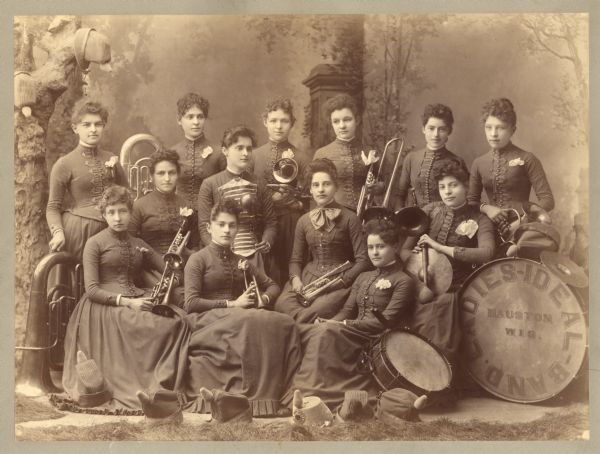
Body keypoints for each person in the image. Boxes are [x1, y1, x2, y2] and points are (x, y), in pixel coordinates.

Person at [61, 186, 191, 410]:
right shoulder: (95, 243)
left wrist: (164, 269)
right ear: (104, 215)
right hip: (103, 306)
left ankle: (160, 386)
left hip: (138, 298)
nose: (117, 218)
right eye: (111, 212)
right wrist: (128, 302)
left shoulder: (138, 243)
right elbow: (92, 289)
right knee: (146, 323)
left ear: (131, 213)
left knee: (177, 321)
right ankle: (140, 386)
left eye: (122, 211)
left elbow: (171, 269)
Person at [184, 200, 302, 416]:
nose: (227, 230)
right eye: (221, 225)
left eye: (232, 225)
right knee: (250, 320)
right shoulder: (197, 259)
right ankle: (255, 401)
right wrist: (233, 304)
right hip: (205, 320)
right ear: (209, 228)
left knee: (284, 322)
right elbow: (191, 303)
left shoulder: (243, 261)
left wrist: (262, 301)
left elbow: (273, 286)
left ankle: (284, 395)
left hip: (238, 316)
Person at [287, 218, 415, 408]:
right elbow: (347, 311)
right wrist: (329, 321)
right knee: (313, 330)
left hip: (375, 338)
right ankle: (303, 391)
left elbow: (386, 321)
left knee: (327, 333)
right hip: (351, 332)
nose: (375, 252)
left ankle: (315, 393)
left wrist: (341, 325)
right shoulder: (363, 276)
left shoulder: (403, 281)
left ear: (395, 247)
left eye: (380, 247)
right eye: (371, 248)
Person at [400, 161, 495, 362]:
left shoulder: (479, 219)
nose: (447, 192)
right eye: (442, 187)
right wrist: (416, 256)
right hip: (421, 280)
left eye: (453, 185)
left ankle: (434, 369)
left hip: (457, 285)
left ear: (466, 186)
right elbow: (404, 251)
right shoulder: (430, 211)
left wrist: (440, 248)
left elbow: (487, 253)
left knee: (440, 307)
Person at [274, 158, 370, 323]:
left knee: (316, 311)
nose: (321, 190)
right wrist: (296, 279)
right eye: (316, 185)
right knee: (281, 305)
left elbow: (363, 260)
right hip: (308, 278)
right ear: (310, 189)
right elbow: (295, 259)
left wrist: (342, 282)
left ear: (335, 187)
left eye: (326, 184)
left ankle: (299, 334)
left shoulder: (350, 218)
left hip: (339, 281)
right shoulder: (303, 221)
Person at [46, 100, 127, 260]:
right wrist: (58, 233)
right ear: (75, 128)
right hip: (81, 231)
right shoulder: (64, 163)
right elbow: (53, 207)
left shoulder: (111, 157)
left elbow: (127, 195)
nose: (93, 129)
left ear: (103, 126)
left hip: (114, 226)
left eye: (98, 124)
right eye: (86, 125)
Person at [468, 98, 555, 234]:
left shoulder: (528, 158)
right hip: (488, 228)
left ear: (512, 130)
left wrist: (524, 219)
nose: (493, 134)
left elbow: (547, 200)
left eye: (501, 128)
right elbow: (471, 202)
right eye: (488, 127)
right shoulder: (478, 163)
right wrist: (487, 209)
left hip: (522, 226)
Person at [197, 125, 277, 269]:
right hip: (221, 257)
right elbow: (204, 227)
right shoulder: (209, 184)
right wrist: (218, 252)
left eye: (249, 148)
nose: (245, 153)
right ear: (225, 151)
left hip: (255, 254)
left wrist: (267, 240)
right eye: (239, 148)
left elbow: (271, 222)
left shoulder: (259, 183)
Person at [250, 98, 309, 286]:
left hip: (289, 223)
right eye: (274, 120)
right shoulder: (253, 156)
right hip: (259, 221)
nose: (279, 126)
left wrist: (295, 202)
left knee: (286, 269)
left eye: (284, 121)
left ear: (291, 123)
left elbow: (309, 198)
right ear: (265, 121)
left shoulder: (301, 157)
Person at [170, 93, 226, 248]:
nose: (196, 122)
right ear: (179, 120)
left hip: (210, 220)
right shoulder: (173, 152)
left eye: (200, 117)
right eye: (190, 117)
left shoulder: (218, 152)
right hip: (178, 220)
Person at [313, 94, 382, 212]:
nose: (342, 126)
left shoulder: (369, 151)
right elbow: (314, 192)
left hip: (366, 215)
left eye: (347, 119)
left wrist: (376, 187)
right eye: (336, 121)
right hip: (334, 216)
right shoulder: (322, 154)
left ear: (357, 120)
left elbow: (382, 183)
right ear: (331, 124)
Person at [396, 103, 468, 209]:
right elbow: (400, 195)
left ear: (449, 131)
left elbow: (465, 197)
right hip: (413, 221)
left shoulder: (456, 161)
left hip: (444, 221)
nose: (436, 135)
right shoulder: (411, 159)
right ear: (423, 129)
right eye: (431, 128)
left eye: (442, 129)